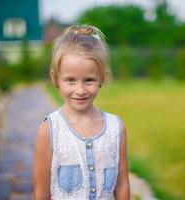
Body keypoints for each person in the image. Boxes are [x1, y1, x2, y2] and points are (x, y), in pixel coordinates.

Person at [33, 25, 130, 200]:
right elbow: (41, 194)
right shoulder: (48, 131)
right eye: (70, 80)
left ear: (102, 77)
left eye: (89, 80)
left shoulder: (116, 128)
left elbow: (122, 183)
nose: (80, 90)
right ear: (55, 78)